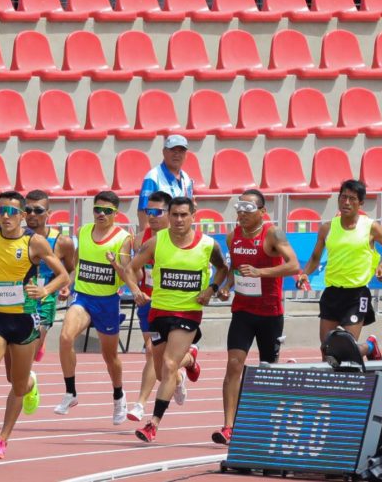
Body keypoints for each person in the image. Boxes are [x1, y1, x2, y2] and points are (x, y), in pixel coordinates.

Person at [0, 191, 70, 463]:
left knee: (18, 383)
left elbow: (62, 274)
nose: (4, 216)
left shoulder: (34, 243)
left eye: (11, 212)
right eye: (0, 211)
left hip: (24, 321)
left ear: (22, 216)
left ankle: (4, 437)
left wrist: (45, 289)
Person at [129, 196, 229, 443]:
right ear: (168, 216)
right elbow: (131, 267)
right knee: (165, 374)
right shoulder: (157, 241)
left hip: (188, 313)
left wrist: (212, 289)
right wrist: (135, 290)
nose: (179, 219)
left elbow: (224, 268)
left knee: (169, 365)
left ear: (193, 215)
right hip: (158, 311)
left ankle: (153, 424)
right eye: (174, 215)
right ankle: (190, 360)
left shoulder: (208, 244)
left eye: (184, 215)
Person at [211, 190, 301, 445]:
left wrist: (261, 272)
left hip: (270, 313)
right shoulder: (233, 237)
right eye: (238, 209)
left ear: (262, 212)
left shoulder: (272, 233)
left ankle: (264, 424)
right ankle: (229, 426)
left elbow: (294, 265)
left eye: (248, 209)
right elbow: (234, 270)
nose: (241, 214)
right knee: (234, 364)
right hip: (242, 311)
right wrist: (226, 286)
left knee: (267, 370)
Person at [54, 191, 145, 424]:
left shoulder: (123, 238)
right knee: (65, 338)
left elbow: (127, 273)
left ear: (116, 213)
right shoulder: (83, 232)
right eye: (97, 210)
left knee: (110, 356)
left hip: (107, 302)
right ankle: (70, 392)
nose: (101, 214)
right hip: (83, 297)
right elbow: (77, 265)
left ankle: (118, 395)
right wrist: (68, 284)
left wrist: (116, 265)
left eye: (107, 211)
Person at [299, 180, 382, 362]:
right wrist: (305, 273)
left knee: (347, 348)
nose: (347, 202)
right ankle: (332, 386)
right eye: (343, 197)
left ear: (361, 203)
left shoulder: (370, 227)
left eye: (352, 199)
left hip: (357, 294)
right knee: (326, 348)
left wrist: (381, 266)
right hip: (332, 293)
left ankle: (369, 346)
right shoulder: (327, 228)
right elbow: (314, 258)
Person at [127, 191, 201, 422]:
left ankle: (140, 404)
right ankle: (185, 366)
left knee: (151, 352)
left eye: (157, 212)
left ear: (169, 214)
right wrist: (135, 290)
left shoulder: (186, 240)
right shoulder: (140, 239)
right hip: (148, 304)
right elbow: (132, 271)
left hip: (176, 305)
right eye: (148, 211)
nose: (152, 216)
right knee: (163, 368)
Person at [24, 190, 76, 363]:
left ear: (48, 213)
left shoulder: (62, 242)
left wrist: (64, 286)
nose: (32, 214)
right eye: (28, 210)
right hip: (17, 299)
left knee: (29, 356)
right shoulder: (15, 236)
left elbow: (70, 270)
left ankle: (29, 386)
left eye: (38, 210)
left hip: (44, 300)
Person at [137, 134, 194, 231]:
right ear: (164, 152)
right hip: (159, 238)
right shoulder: (153, 177)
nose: (177, 154)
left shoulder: (186, 178)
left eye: (181, 151)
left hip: (179, 236)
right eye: (173, 150)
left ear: (186, 155)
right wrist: (148, 240)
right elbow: (143, 212)